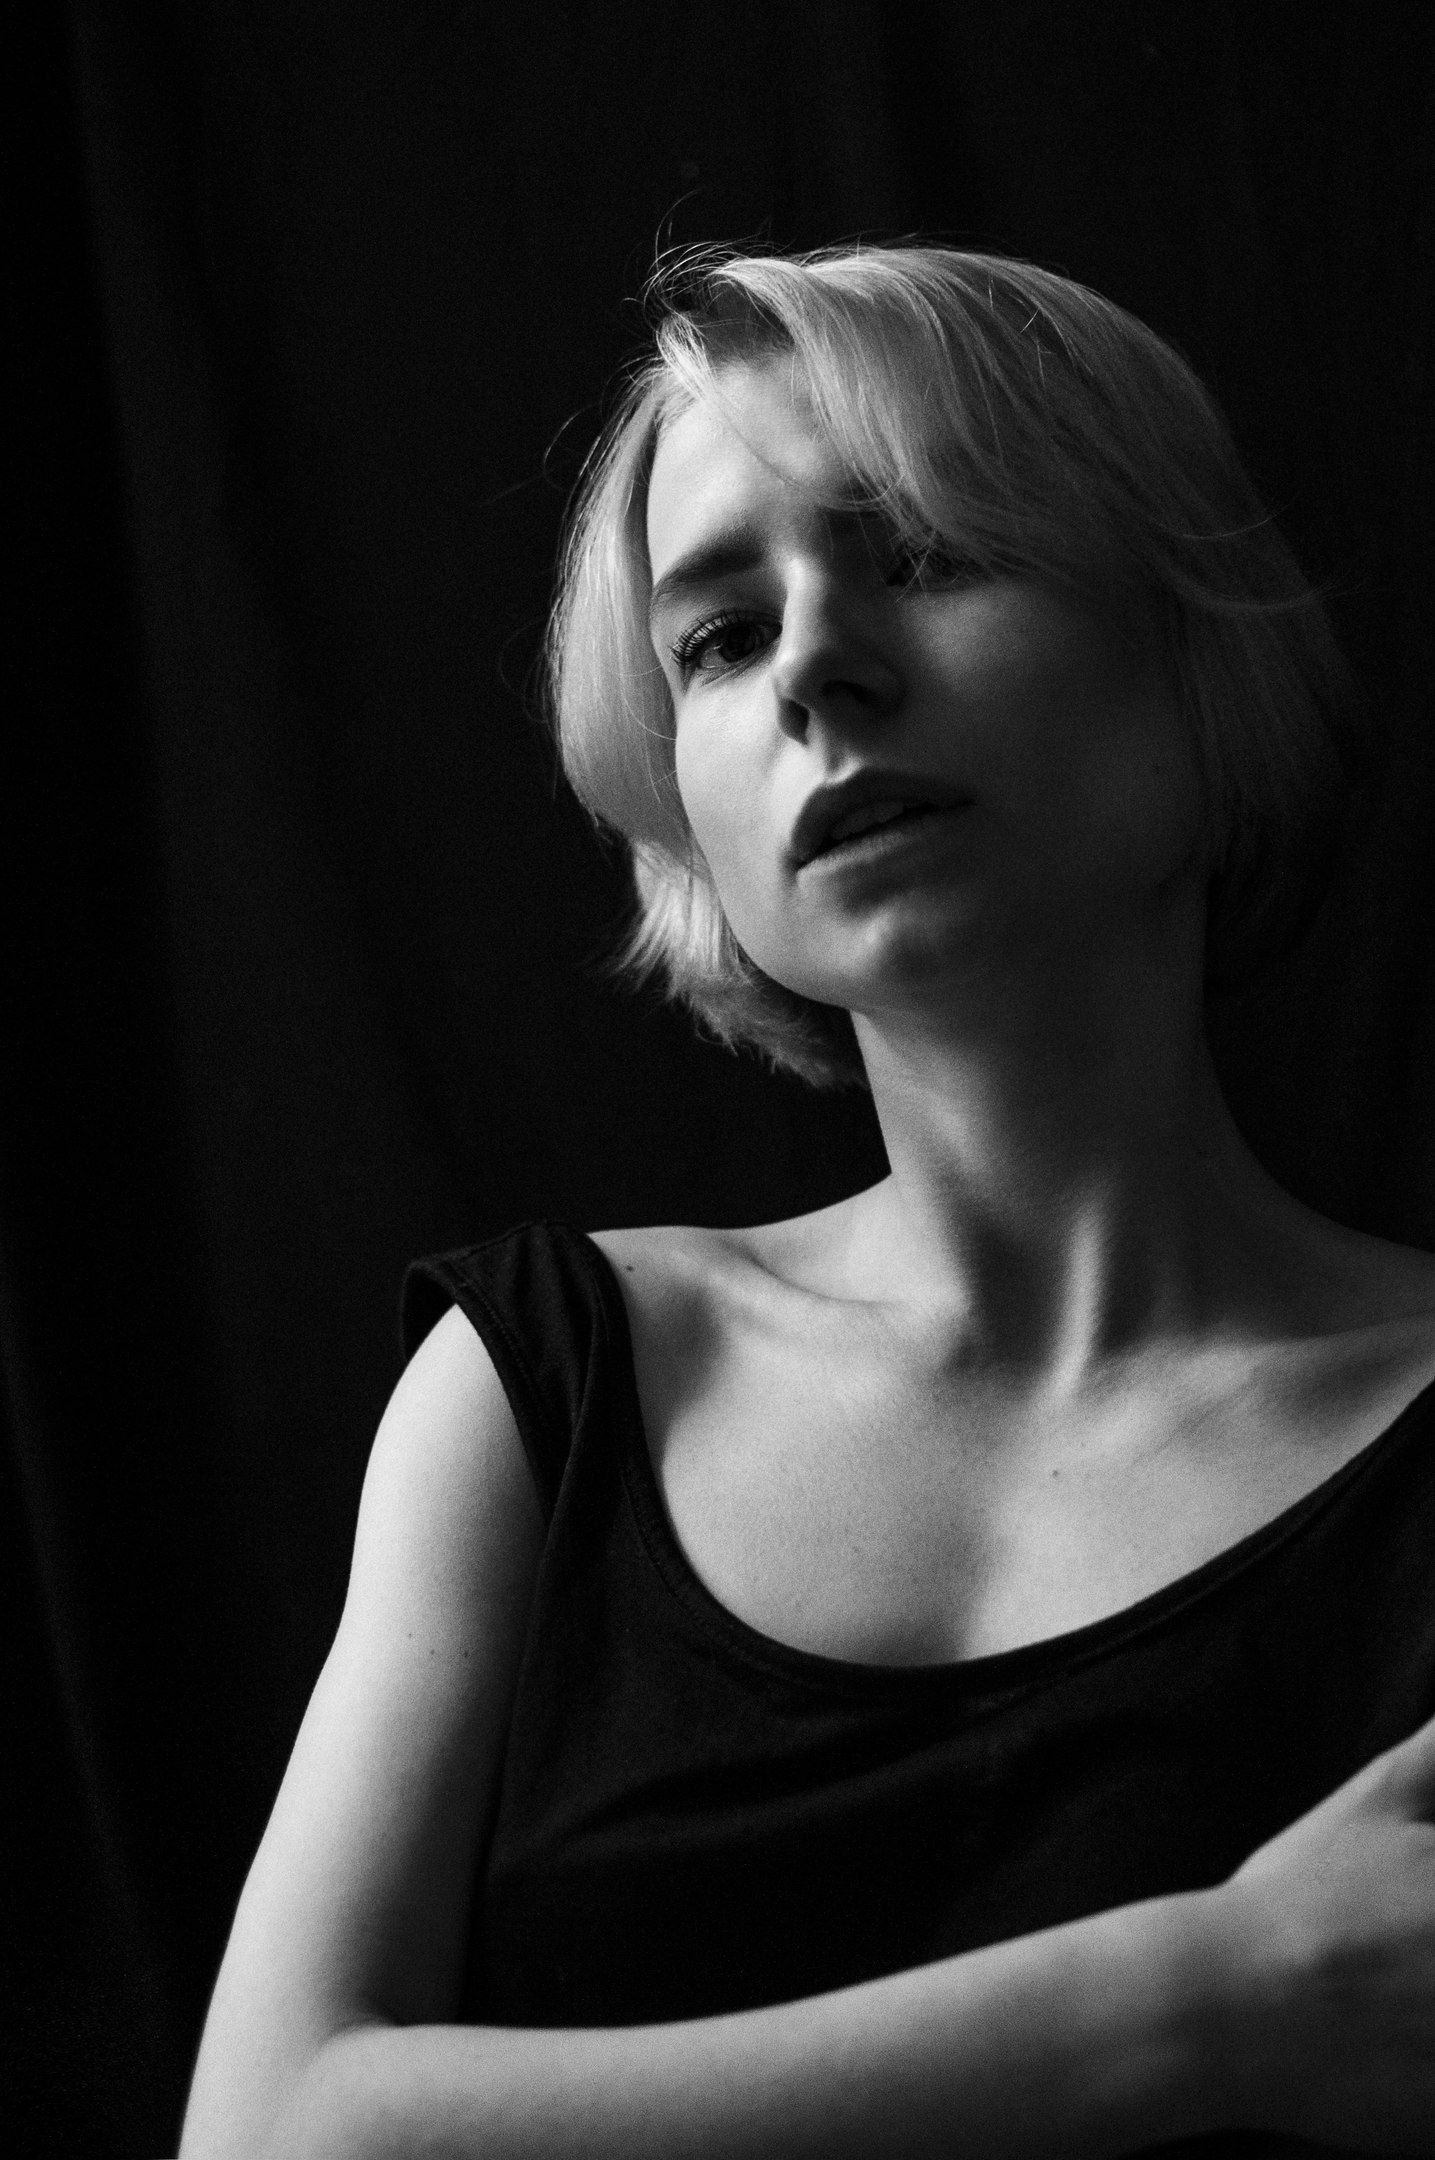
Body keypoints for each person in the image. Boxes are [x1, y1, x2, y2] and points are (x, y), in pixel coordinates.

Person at [179, 246, 1435, 2160]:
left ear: (1198, 657)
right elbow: (274, 2134)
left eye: (926, 550)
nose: (815, 667)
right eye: (716, 635)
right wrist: (1211, 1998)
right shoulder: (549, 1388)